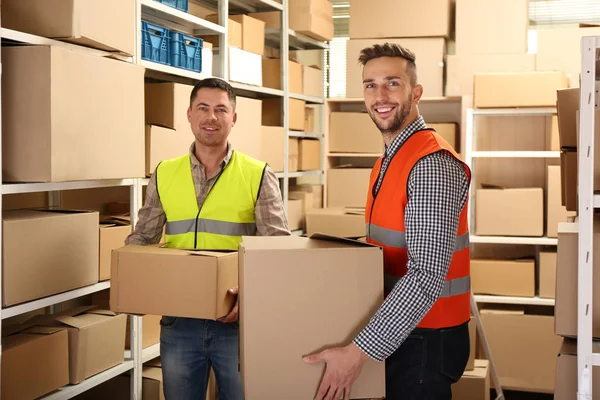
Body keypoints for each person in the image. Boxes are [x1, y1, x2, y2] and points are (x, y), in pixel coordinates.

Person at [303, 43, 471, 400]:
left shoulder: (431, 163)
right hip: (403, 329)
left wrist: (358, 351)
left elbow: (426, 273)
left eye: (392, 83)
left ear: (417, 92)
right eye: (370, 84)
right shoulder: (390, 159)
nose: (380, 95)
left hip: (426, 338)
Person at [126, 77, 291, 400]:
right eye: (203, 108)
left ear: (233, 118)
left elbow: (278, 250)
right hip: (179, 322)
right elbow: (141, 239)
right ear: (188, 114)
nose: (211, 117)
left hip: (238, 320)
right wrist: (133, 284)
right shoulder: (164, 173)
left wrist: (251, 296)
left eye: (220, 109)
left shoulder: (257, 173)